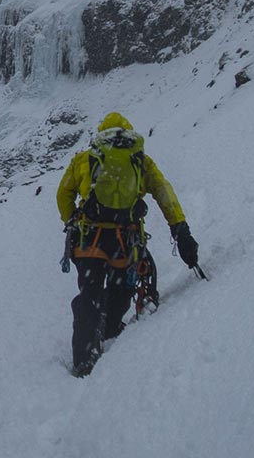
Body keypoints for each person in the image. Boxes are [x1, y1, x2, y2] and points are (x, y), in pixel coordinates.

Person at [56, 112, 200, 376]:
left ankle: (84, 358)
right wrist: (180, 228)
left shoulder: (83, 160)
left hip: (90, 241)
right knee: (122, 287)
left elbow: (63, 193)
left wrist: (71, 221)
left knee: (90, 293)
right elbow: (163, 191)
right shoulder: (140, 160)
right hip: (125, 240)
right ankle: (110, 327)